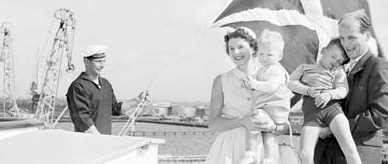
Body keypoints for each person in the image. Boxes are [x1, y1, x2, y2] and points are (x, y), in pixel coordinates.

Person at [301, 10, 388, 164]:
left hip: (359, 154)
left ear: (367, 36)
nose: (346, 44)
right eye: (342, 38)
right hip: (325, 155)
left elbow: (380, 115)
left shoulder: (378, 66)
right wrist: (306, 81)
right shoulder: (334, 67)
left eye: (351, 37)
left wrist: (333, 129)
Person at [205, 27, 288, 164]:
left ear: (254, 49)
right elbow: (213, 124)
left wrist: (273, 127)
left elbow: (284, 122)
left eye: (240, 47)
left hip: (265, 150)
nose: (235, 52)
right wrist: (242, 121)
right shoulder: (221, 80)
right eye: (231, 48)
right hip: (229, 150)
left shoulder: (272, 77)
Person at [288, 38, 361, 164]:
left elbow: (343, 89)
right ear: (323, 51)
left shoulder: (338, 71)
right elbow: (290, 82)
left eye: (339, 61)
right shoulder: (305, 68)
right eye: (333, 57)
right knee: (304, 154)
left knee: (349, 148)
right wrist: (307, 90)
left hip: (333, 111)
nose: (335, 62)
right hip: (312, 116)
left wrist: (329, 94)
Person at [66, 45, 148, 135]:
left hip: (105, 142)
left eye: (104, 61)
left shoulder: (105, 84)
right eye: (98, 61)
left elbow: (115, 109)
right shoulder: (78, 86)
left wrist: (137, 100)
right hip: (88, 143)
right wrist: (100, 139)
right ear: (86, 62)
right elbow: (82, 119)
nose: (102, 65)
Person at [238, 29, 293, 164]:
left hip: (273, 108)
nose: (264, 57)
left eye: (269, 54)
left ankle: (250, 154)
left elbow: (271, 86)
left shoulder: (276, 70)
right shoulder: (263, 69)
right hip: (269, 108)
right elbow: (255, 78)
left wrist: (254, 83)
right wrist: (249, 80)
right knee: (267, 135)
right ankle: (268, 159)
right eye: (261, 54)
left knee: (253, 125)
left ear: (279, 56)